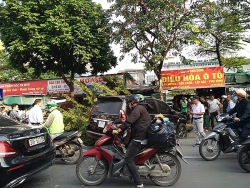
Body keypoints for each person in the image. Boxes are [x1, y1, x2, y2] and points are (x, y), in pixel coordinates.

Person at [113, 94, 150, 188]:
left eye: (130, 102)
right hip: (141, 136)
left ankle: (139, 183)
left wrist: (119, 129)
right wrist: (121, 124)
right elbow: (130, 121)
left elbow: (130, 120)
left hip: (139, 138)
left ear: (133, 102)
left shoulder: (138, 108)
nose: (129, 104)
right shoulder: (141, 108)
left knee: (128, 159)